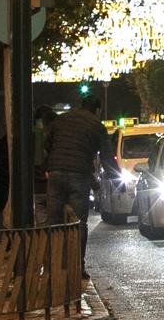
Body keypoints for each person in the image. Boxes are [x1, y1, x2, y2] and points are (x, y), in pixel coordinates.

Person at [44, 94, 118, 278]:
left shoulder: (62, 120)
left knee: (54, 222)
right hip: (78, 175)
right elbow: (107, 158)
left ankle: (52, 265)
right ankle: (77, 266)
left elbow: (47, 145)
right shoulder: (97, 126)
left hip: (55, 173)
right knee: (79, 223)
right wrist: (116, 180)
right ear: (97, 109)